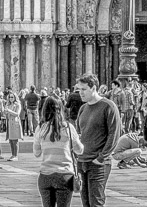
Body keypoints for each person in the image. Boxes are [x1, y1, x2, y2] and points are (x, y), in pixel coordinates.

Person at [73, 74, 120, 207]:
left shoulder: (108, 106)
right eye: (78, 90)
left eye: (83, 89)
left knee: (96, 201)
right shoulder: (83, 108)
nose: (80, 93)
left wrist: (101, 157)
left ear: (93, 88)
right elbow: (80, 134)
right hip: (82, 161)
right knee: (86, 202)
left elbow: (114, 135)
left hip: (99, 163)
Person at [33, 97, 83, 207]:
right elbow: (79, 150)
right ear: (61, 109)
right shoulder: (68, 128)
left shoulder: (40, 128)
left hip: (45, 175)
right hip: (64, 175)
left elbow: (36, 153)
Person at [1, 93, 23, 160]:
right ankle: (12, 154)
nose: (11, 99)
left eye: (12, 97)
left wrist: (9, 111)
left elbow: (17, 114)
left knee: (15, 140)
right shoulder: (8, 105)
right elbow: (5, 114)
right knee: (10, 140)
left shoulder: (17, 105)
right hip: (9, 123)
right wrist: (5, 111)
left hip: (15, 122)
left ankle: (15, 155)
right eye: (10, 97)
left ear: (15, 97)